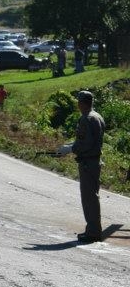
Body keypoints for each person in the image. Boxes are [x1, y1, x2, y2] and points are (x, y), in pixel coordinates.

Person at [57, 91, 106, 242]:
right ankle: (93, 229)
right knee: (92, 196)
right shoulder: (97, 116)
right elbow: (87, 140)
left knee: (89, 197)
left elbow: (85, 143)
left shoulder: (87, 119)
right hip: (94, 160)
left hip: (88, 162)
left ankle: (93, 232)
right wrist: (72, 145)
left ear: (82, 103)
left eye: (79, 102)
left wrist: (70, 149)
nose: (77, 104)